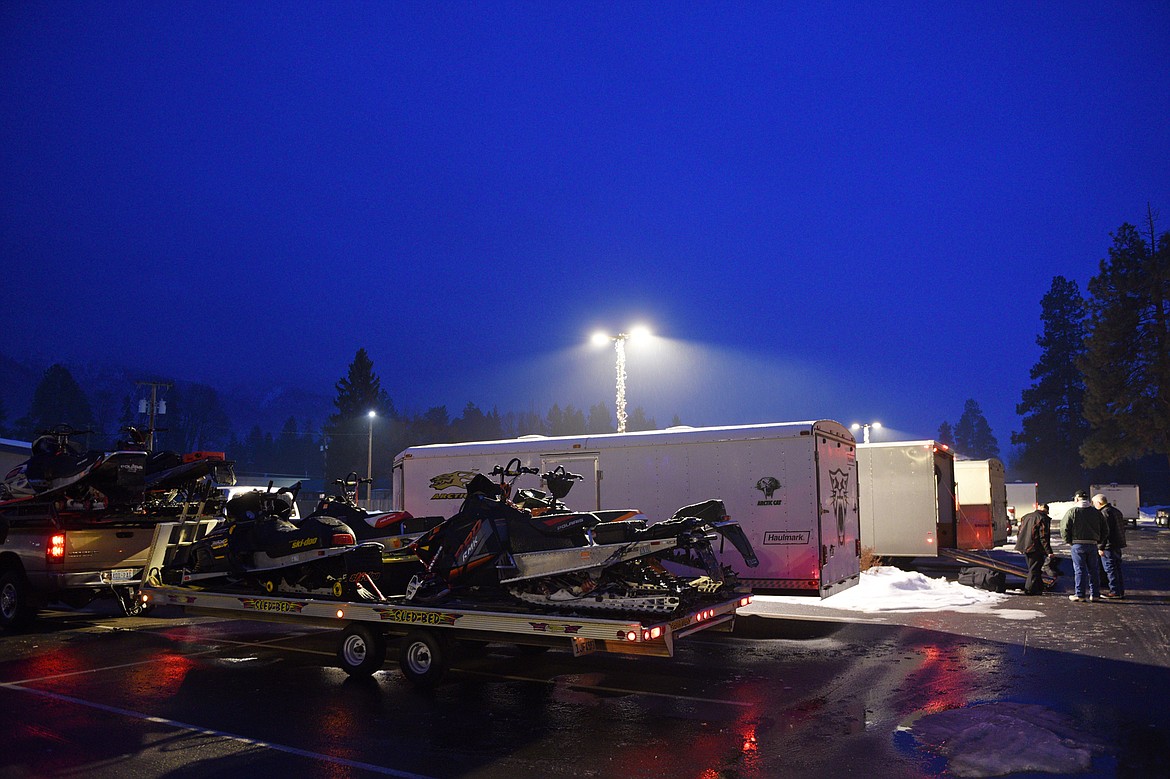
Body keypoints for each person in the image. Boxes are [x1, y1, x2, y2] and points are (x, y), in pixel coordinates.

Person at [1061, 490, 1107, 602]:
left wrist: (1069, 541)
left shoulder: (1072, 512)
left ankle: (1080, 594)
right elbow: (1105, 529)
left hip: (1078, 544)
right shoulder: (1096, 512)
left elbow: (1064, 528)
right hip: (1092, 544)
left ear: (1076, 499)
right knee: (1094, 570)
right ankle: (1095, 594)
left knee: (1079, 570)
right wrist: (1099, 540)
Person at [1092, 493, 1127, 599]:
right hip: (1117, 544)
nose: (1094, 506)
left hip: (1108, 546)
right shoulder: (1116, 511)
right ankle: (1120, 590)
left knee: (1110, 569)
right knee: (1117, 568)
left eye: (1094, 503)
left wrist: (1100, 547)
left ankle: (1114, 591)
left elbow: (1105, 532)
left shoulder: (1104, 513)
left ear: (1099, 503)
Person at [1014, 503, 1053, 595]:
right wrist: (1049, 551)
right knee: (1034, 569)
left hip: (1025, 546)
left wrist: (1021, 545)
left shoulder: (1026, 517)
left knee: (1034, 568)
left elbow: (1020, 532)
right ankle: (1029, 589)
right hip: (1035, 547)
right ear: (1046, 511)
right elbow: (1043, 536)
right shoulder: (1043, 518)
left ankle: (1039, 588)